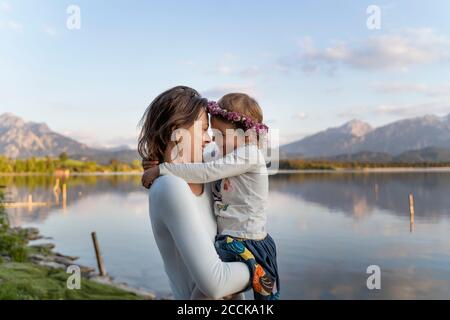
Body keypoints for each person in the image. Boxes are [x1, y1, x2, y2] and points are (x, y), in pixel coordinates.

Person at [142, 93, 280, 300]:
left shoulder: (215, 176)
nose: (211, 140)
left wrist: (162, 168)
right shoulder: (171, 186)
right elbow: (217, 285)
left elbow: (206, 169)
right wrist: (262, 272)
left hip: (249, 242)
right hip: (239, 248)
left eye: (214, 132)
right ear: (177, 130)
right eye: (206, 130)